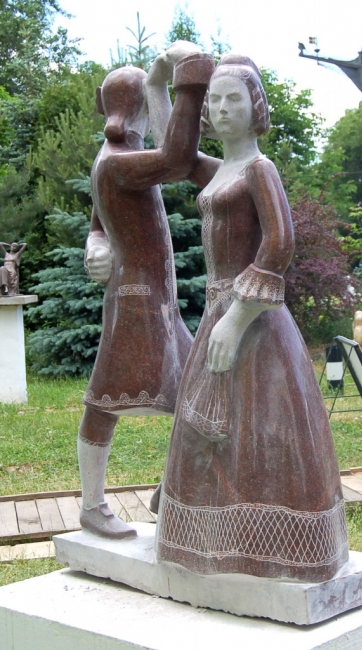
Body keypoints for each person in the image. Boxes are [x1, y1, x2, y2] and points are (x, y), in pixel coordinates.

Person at [156, 54, 349, 583]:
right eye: (214, 100)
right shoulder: (220, 170)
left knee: (262, 431)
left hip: (252, 322)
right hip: (221, 313)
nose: (221, 109)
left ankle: (273, 551)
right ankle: (216, 544)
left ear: (256, 106)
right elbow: (172, 152)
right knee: (211, 431)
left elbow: (280, 243)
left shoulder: (259, 170)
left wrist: (237, 317)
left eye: (233, 99)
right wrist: (160, 83)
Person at [78, 46, 214, 539]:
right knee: (106, 401)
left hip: (154, 300)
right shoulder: (119, 162)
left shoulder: (115, 158)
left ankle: (166, 492)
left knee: (199, 389)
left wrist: (96, 242)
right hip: (137, 301)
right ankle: (93, 505)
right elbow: (178, 159)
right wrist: (178, 83)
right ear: (138, 108)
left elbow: (99, 221)